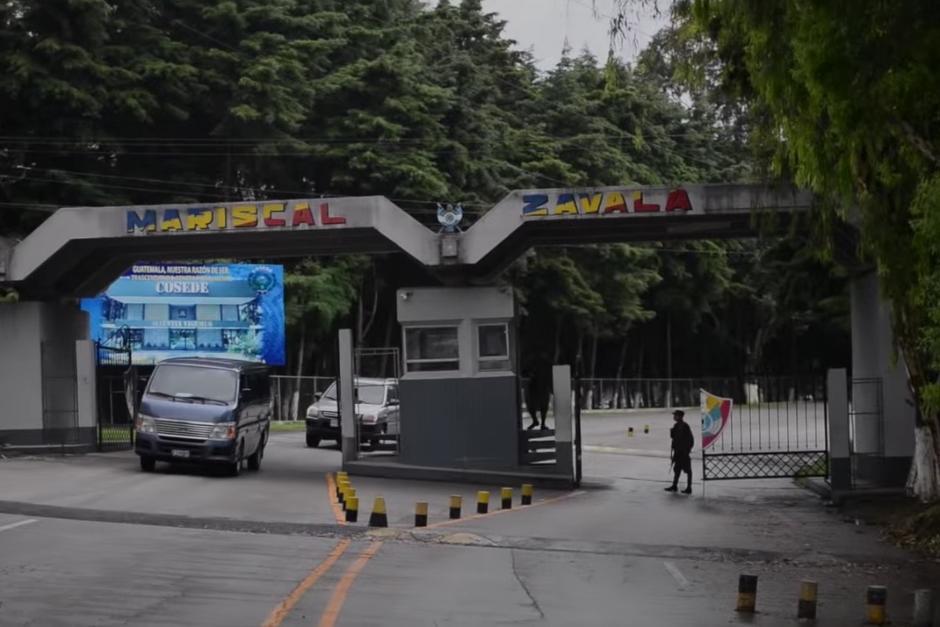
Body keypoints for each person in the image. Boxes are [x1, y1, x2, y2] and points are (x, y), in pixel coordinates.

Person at [666, 409, 694, 494]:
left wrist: (687, 450)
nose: (674, 417)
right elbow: (674, 437)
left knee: (688, 470)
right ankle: (674, 486)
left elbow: (690, 440)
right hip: (678, 451)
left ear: (680, 416)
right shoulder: (676, 425)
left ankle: (689, 488)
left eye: (676, 415)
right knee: (677, 469)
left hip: (683, 452)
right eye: (674, 415)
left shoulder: (685, 426)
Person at [526, 361, 551, 430]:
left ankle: (540, 423)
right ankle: (537, 421)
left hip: (541, 383)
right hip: (536, 384)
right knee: (531, 404)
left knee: (543, 404)